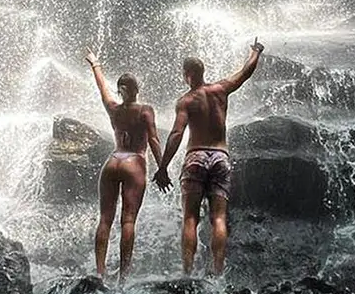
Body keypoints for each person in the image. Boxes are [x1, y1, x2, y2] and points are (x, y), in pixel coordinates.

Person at [154, 39, 264, 275]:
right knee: (219, 219)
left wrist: (163, 167)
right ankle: (217, 272)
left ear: (186, 74)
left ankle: (187, 273)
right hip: (220, 157)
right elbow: (245, 72)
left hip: (195, 156)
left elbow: (176, 134)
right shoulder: (221, 89)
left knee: (190, 219)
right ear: (202, 72)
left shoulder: (186, 101)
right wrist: (255, 51)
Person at [85, 49, 165, 281]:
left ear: (121, 91)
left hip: (113, 161)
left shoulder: (113, 108)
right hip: (134, 161)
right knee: (128, 220)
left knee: (105, 219)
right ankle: (123, 276)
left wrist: (95, 64)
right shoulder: (145, 110)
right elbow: (153, 140)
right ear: (137, 90)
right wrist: (161, 168)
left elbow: (102, 89)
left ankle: (99, 273)